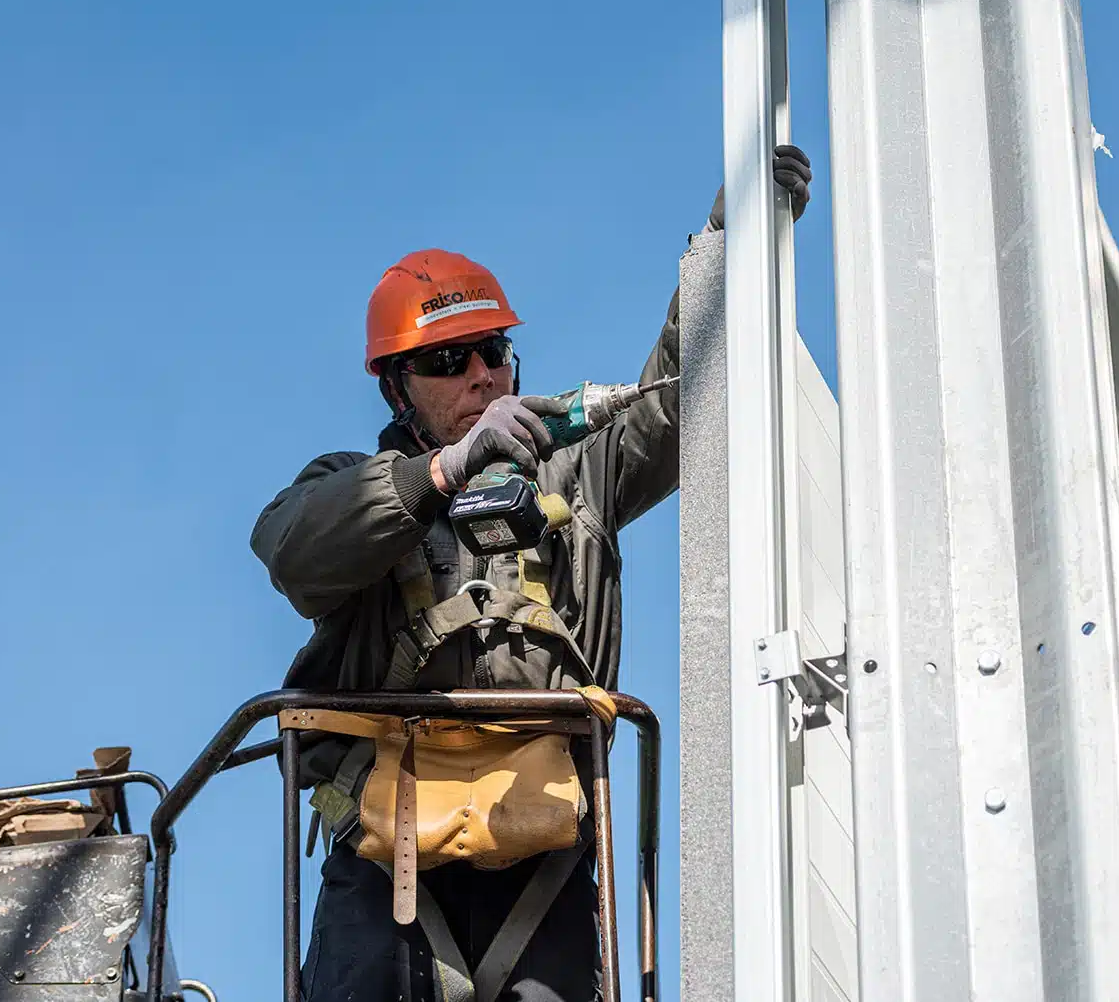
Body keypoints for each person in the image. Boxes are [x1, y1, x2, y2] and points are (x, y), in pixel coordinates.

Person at [250, 145, 812, 1002]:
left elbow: (681, 398)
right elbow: (293, 553)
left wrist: (731, 249)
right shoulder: (347, 486)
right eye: (448, 361)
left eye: (494, 353)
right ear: (396, 389)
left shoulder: (578, 469)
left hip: (542, 858)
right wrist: (441, 474)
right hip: (386, 860)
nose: (481, 375)